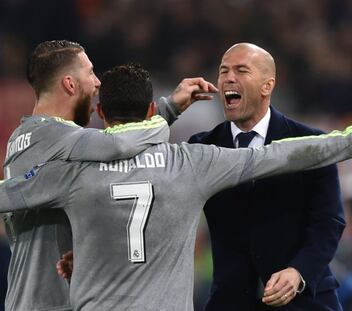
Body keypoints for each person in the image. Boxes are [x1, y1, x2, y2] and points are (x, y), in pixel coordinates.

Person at [0, 63, 352, 311]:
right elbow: (279, 155)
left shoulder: (76, 172)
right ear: (154, 112)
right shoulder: (191, 163)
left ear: (101, 113)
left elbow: (12, 192)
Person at [1, 40, 216, 311]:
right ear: (69, 83)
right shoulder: (60, 138)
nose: (98, 83)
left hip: (26, 295)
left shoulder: (23, 137)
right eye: (90, 72)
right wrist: (166, 110)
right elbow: (119, 143)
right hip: (51, 301)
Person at [188, 42, 352, 310]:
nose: (228, 78)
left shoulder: (313, 142)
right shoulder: (201, 147)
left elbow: (329, 222)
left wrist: (298, 272)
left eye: (241, 70)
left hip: (304, 301)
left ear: (267, 85)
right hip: (232, 302)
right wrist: (172, 110)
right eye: (223, 71)